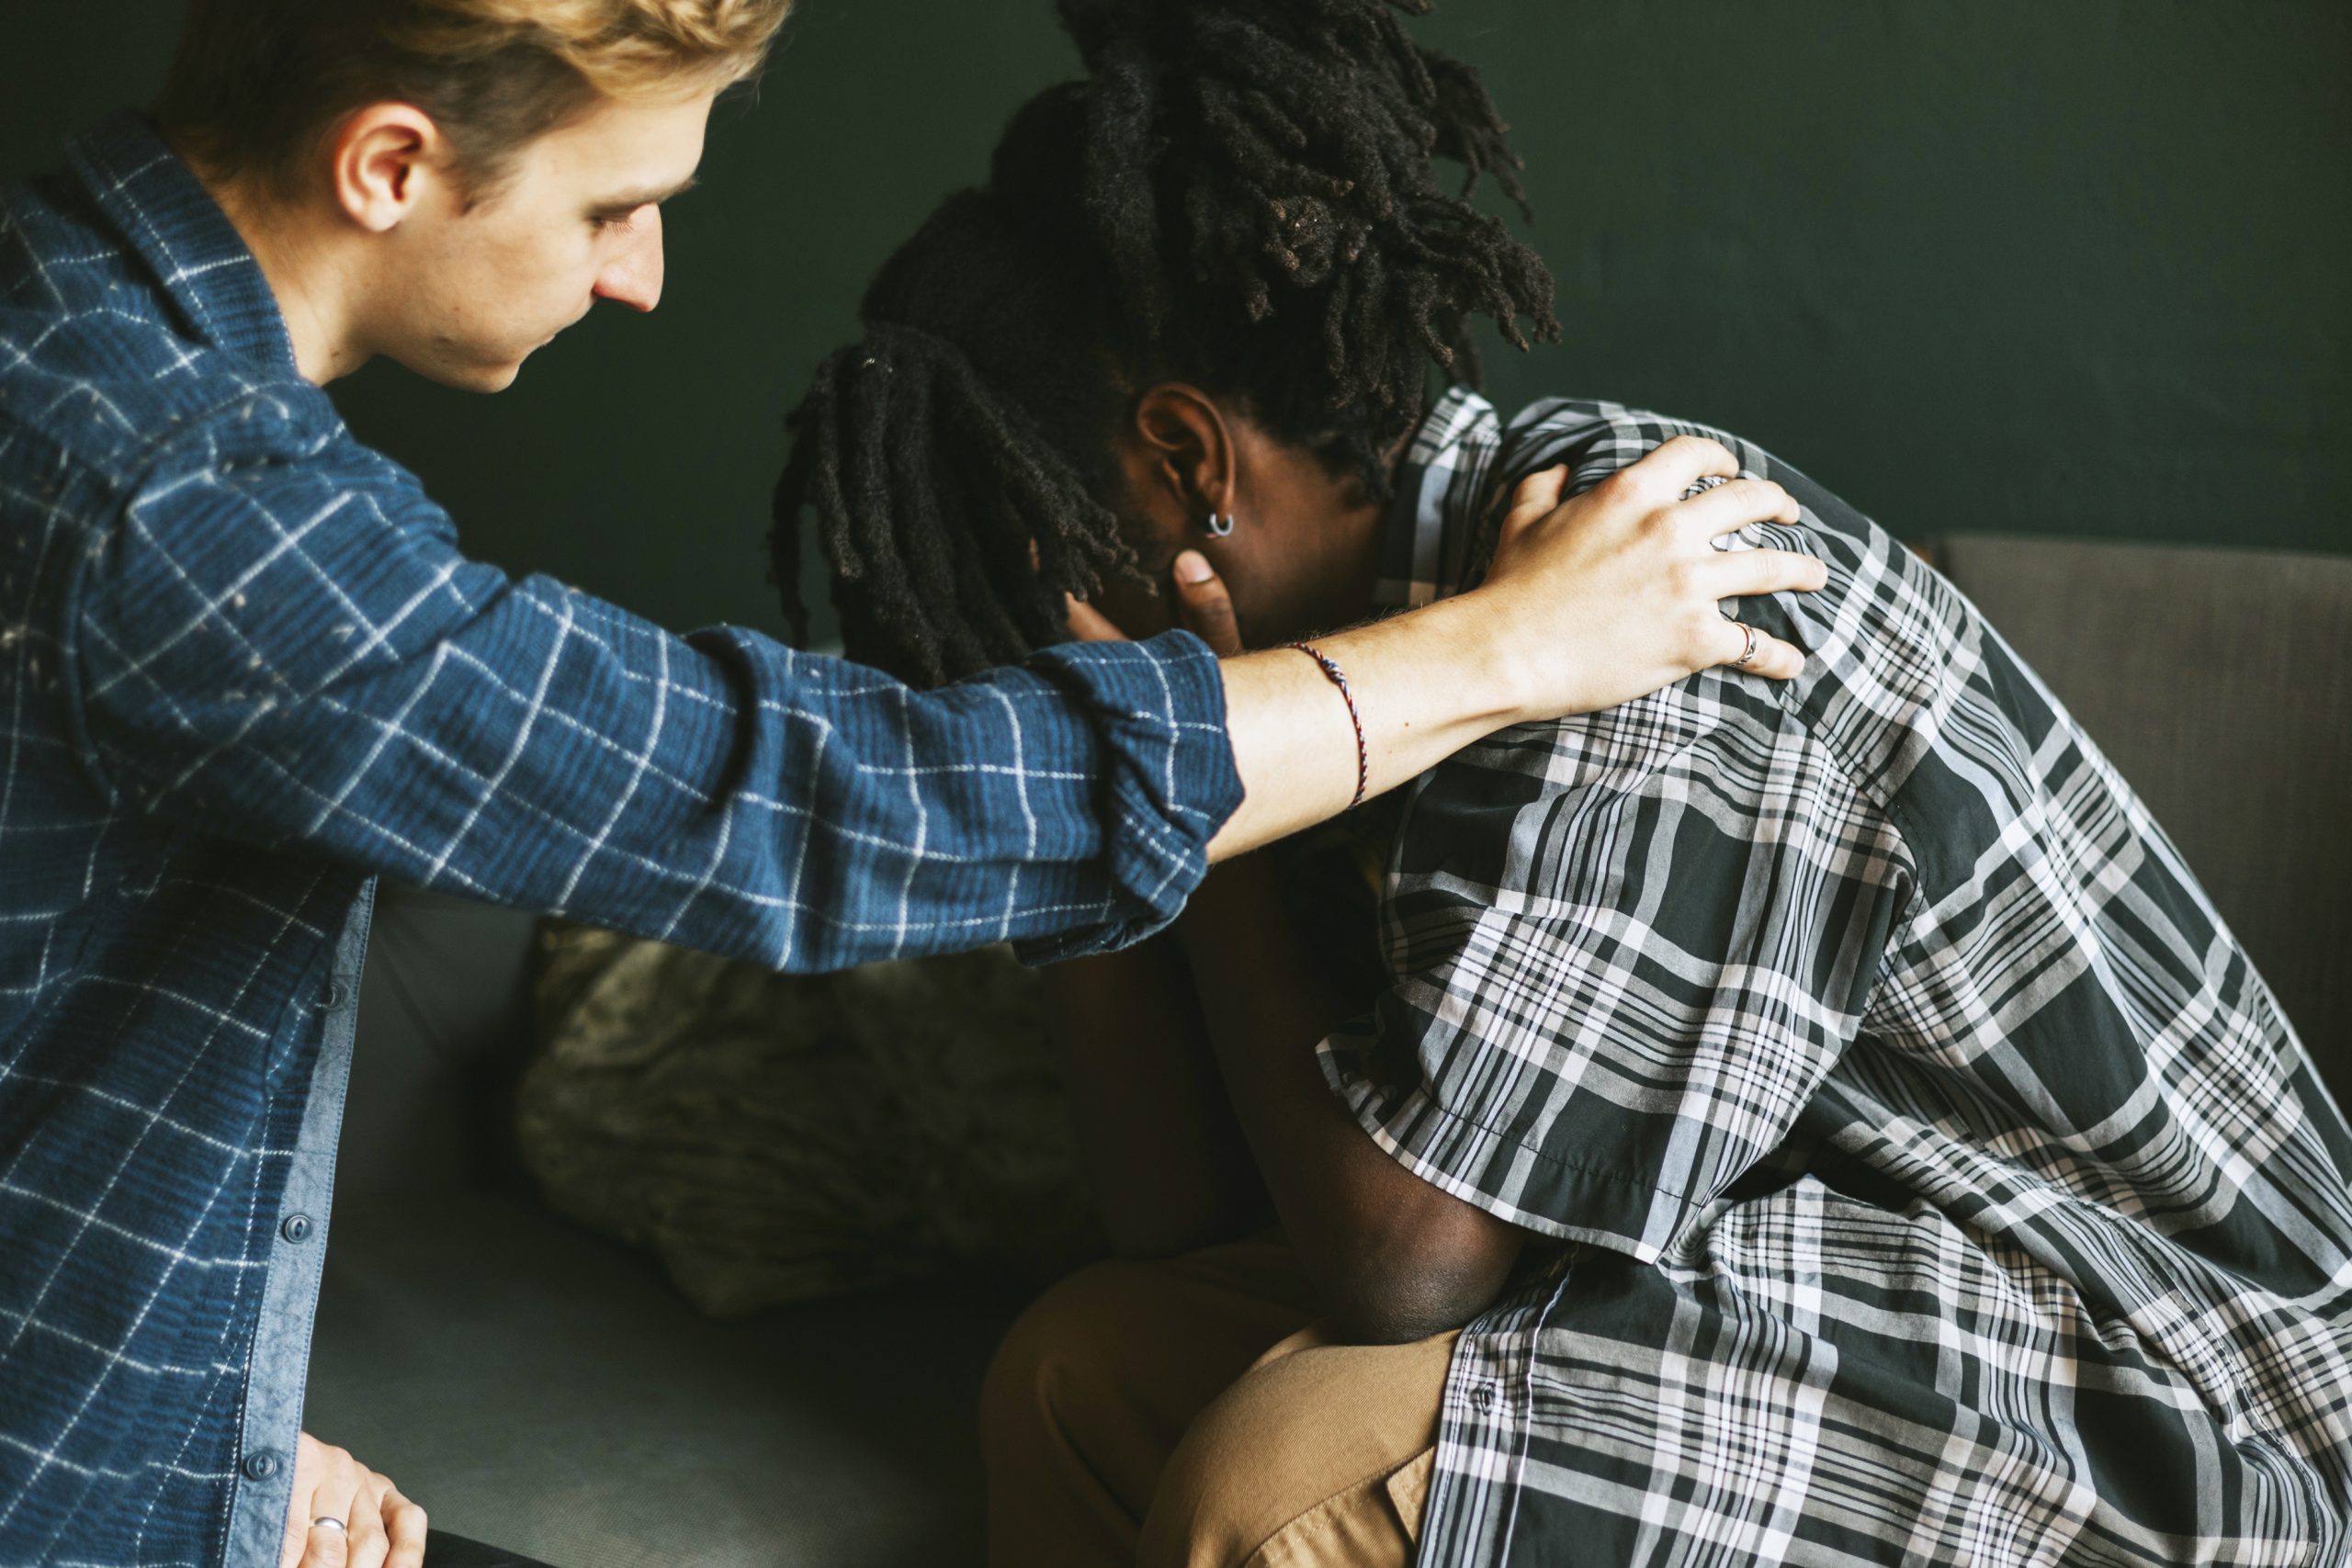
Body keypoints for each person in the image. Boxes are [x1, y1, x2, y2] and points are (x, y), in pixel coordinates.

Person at [0, 1, 1830, 1565]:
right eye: (614, 204)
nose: (641, 277)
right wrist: (1503, 651)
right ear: (388, 165)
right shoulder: (172, 504)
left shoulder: (80, 344)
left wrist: (207, 1420)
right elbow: (786, 797)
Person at [768, 1, 2352, 1564]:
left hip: (2150, 1388)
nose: (1058, 649)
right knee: (1074, 1371)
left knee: (1282, 1486)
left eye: (1050, 567)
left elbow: (1408, 1263)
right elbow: (1172, 1222)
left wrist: (1203, 774)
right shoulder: (1372, 662)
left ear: (1188, 460)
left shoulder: (1638, 565)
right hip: (1775, 1294)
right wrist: (1119, 772)